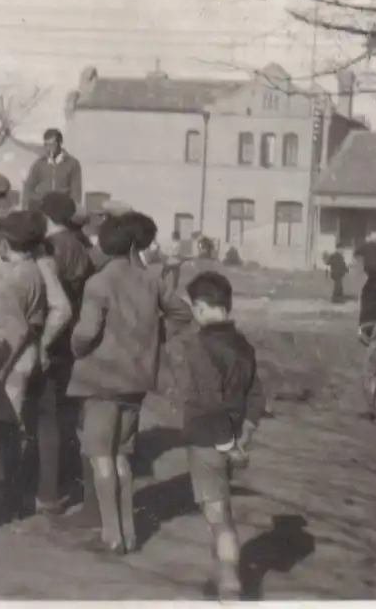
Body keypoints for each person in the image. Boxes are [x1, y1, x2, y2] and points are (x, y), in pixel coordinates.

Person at [67, 210, 193, 555]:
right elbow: (183, 314)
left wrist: (74, 347)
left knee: (99, 456)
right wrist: (153, 337)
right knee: (122, 454)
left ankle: (110, 535)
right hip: (136, 379)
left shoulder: (99, 283)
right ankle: (129, 533)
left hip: (101, 378)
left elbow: (86, 333)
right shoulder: (153, 278)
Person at [175, 270, 266, 602]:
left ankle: (229, 584)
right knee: (222, 509)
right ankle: (222, 575)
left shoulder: (199, 345)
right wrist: (245, 435)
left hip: (207, 439)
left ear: (200, 307)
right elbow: (256, 396)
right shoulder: (243, 345)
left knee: (217, 516)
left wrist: (227, 443)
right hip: (232, 438)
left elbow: (211, 399)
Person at [0, 208, 48, 520]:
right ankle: (13, 496)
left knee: (6, 430)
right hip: (24, 357)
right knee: (11, 431)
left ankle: (13, 502)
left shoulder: (15, 280)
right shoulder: (33, 271)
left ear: (4, 243)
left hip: (11, 362)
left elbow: (10, 334)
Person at [31, 192, 96, 520]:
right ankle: (67, 482)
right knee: (66, 414)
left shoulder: (53, 248)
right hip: (73, 337)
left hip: (54, 337)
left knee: (47, 415)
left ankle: (48, 491)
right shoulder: (79, 243)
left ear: (46, 216)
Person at [23, 129, 83, 210]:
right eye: (46, 145)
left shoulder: (72, 164)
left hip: (62, 208)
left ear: (60, 143)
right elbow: (28, 186)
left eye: (52, 145)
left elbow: (76, 192)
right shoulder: (39, 164)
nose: (48, 149)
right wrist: (28, 206)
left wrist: (74, 210)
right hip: (43, 208)